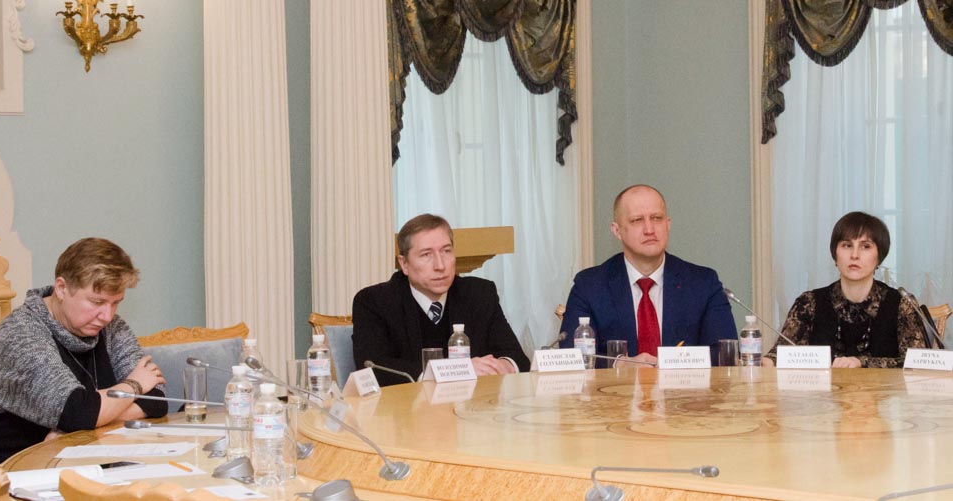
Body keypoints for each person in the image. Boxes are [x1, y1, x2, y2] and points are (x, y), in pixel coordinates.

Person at [0, 238, 167, 468]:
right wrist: (134, 385)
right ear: (62, 288)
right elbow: (78, 412)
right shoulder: (18, 335)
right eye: (97, 302)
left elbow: (156, 400)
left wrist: (77, 429)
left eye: (115, 303)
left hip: (70, 467)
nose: (107, 315)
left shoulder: (112, 327)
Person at [560, 185, 737, 365]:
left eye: (656, 218)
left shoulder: (703, 283)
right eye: (637, 220)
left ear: (668, 224)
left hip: (683, 384)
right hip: (618, 384)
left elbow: (725, 353)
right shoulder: (590, 286)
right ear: (617, 230)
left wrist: (671, 362)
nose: (649, 229)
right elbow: (571, 354)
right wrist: (620, 364)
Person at [352, 214, 530, 386]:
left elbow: (517, 357)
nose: (440, 265)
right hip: (409, 404)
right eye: (426, 255)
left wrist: (504, 365)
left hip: (474, 403)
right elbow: (372, 367)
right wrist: (456, 371)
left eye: (446, 251)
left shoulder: (479, 294)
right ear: (404, 264)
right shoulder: (375, 302)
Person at [764, 212, 926, 368]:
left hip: (885, 389)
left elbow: (916, 363)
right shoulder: (808, 303)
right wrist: (766, 362)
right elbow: (780, 355)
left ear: (879, 257)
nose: (854, 255)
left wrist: (862, 363)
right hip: (823, 388)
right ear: (835, 254)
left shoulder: (902, 304)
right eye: (847, 245)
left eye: (865, 246)